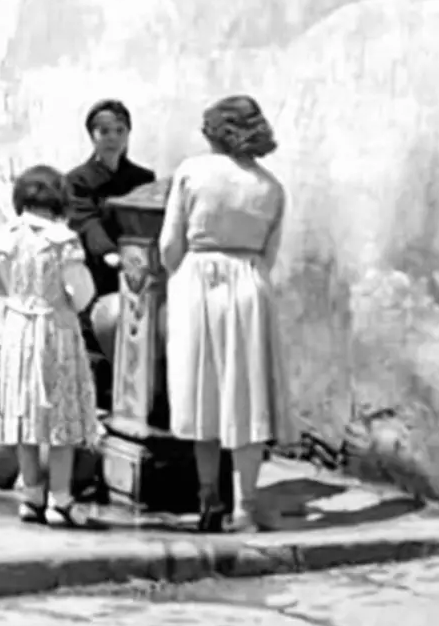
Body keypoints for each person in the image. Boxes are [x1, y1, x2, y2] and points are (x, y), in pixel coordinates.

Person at [160, 95, 293, 534]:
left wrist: (179, 272)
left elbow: (169, 246)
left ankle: (209, 499)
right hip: (250, 281)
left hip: (199, 278)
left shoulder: (192, 172)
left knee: (203, 390)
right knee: (246, 394)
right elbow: (270, 254)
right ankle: (247, 504)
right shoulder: (271, 187)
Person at [0, 165, 99, 525]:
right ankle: (60, 499)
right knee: (60, 416)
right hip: (56, 330)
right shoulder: (63, 240)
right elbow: (82, 294)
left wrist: (16, 295)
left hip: (17, 330)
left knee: (23, 413)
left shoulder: (3, 237)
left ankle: (31, 496)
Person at [65, 99, 157, 406]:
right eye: (104, 131)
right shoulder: (78, 180)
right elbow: (85, 220)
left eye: (119, 130)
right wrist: (108, 253)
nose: (112, 138)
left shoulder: (142, 179)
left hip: (138, 267)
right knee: (95, 329)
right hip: (97, 266)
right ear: (92, 135)